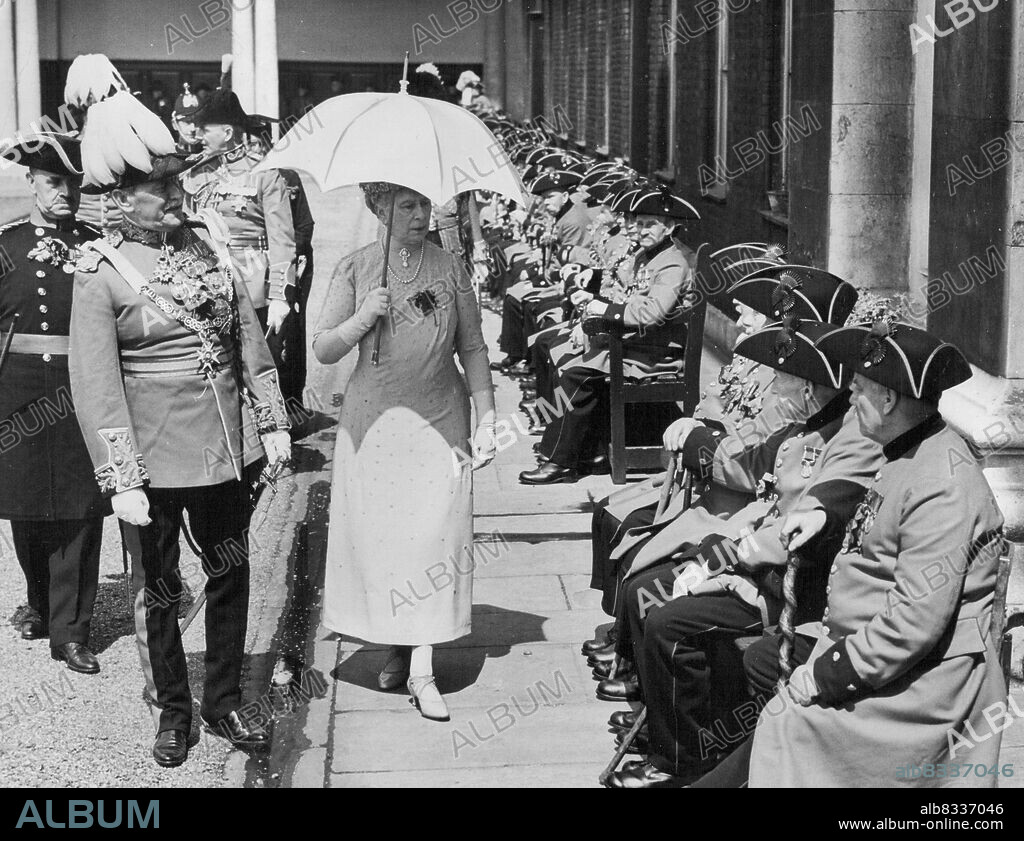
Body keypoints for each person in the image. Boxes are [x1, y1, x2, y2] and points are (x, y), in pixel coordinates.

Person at [68, 91, 292, 768]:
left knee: (230, 574)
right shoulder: (101, 274)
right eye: (158, 186)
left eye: (174, 181)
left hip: (225, 447)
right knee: (159, 591)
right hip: (154, 461)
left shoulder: (206, 245)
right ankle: (173, 709)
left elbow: (246, 335)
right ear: (120, 199)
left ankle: (223, 699)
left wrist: (273, 418)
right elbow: (96, 385)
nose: (174, 193)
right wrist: (120, 478)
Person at [602, 317, 883, 788]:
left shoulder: (851, 438)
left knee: (667, 622)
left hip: (787, 579)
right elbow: (767, 490)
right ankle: (668, 727)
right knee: (647, 589)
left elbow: (805, 520)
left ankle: (682, 762)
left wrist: (728, 562)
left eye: (784, 377)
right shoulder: (808, 424)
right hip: (754, 552)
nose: (774, 384)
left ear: (811, 388)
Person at [751, 322, 1005, 788]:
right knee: (762, 670)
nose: (849, 397)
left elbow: (914, 623)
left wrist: (829, 675)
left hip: (930, 684)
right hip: (879, 649)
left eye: (860, 389)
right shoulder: (909, 451)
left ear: (888, 400)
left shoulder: (941, 485)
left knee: (786, 723)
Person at [312, 182, 496, 723]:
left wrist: (488, 421)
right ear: (379, 209)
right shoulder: (355, 268)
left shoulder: (450, 268)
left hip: (439, 420)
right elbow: (324, 348)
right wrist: (362, 317)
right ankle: (395, 644)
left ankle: (422, 668)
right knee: (384, 542)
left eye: (424, 205)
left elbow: (474, 349)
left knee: (433, 542)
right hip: (372, 424)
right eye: (406, 206)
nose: (420, 216)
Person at [0, 134, 108, 673]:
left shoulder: (96, 244)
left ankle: (71, 630)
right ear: (32, 183)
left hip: (78, 386)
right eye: (52, 182)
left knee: (80, 507)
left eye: (73, 183)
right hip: (16, 388)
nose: (64, 192)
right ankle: (40, 603)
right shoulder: (6, 244)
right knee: (25, 505)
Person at [520, 187, 701, 485]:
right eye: (639, 223)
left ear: (669, 227)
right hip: (635, 343)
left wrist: (603, 309)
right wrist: (593, 283)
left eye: (649, 225)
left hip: (653, 353)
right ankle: (589, 451)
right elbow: (625, 285)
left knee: (576, 376)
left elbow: (651, 313)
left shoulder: (673, 262)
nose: (641, 230)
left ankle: (560, 461)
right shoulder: (649, 254)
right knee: (559, 356)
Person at [182, 89, 298, 402]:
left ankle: (272, 437)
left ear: (228, 131)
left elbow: (282, 238)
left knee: (258, 364)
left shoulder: (264, 173)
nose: (198, 135)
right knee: (216, 364)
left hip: (253, 282)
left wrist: (280, 296)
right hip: (208, 283)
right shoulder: (195, 171)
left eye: (205, 130)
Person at [171, 83, 203, 155]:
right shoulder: (167, 157)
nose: (193, 129)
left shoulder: (212, 157)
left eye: (197, 122)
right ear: (174, 125)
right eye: (187, 122)